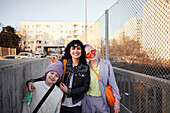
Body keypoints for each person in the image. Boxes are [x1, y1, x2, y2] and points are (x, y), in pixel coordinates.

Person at [26, 40, 90, 113]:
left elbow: (85, 87)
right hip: (60, 103)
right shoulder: (63, 63)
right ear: (69, 51)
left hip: (76, 105)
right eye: (73, 49)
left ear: (82, 51)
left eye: (78, 48)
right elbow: (50, 76)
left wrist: (69, 91)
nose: (76, 51)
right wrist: (32, 81)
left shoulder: (85, 67)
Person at [82, 44, 121, 113]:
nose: (91, 54)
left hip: (102, 100)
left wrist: (117, 100)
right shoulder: (85, 67)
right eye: (88, 54)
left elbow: (113, 82)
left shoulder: (106, 64)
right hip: (88, 100)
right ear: (85, 56)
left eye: (92, 51)